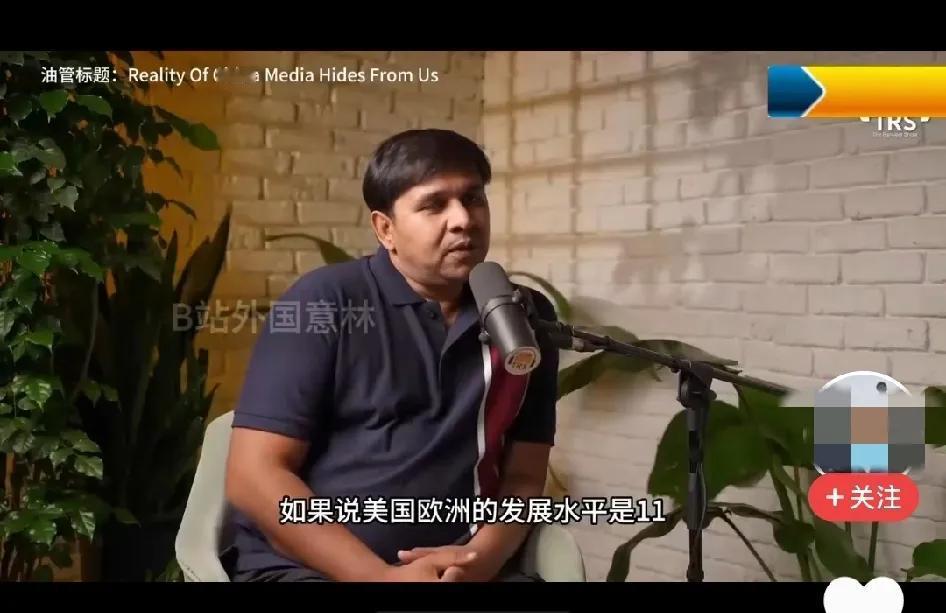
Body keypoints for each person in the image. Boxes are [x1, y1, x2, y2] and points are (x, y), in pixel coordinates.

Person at [224, 128, 560, 582]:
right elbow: (253, 475)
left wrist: (477, 561)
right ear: (385, 229)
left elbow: (524, 478)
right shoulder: (322, 303)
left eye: (473, 198)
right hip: (310, 569)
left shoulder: (522, 315)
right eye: (434, 205)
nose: (463, 219)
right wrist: (379, 577)